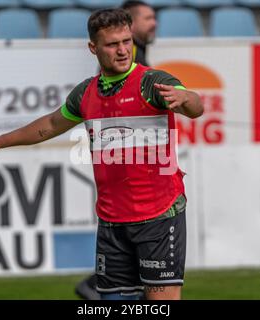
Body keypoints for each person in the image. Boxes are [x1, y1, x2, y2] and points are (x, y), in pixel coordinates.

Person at [0, 8, 203, 300]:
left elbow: (196, 106)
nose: (123, 51)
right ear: (93, 48)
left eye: (126, 41)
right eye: (112, 44)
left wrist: (185, 98)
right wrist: (0, 141)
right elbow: (49, 125)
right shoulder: (85, 94)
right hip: (112, 222)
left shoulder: (152, 83)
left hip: (160, 216)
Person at [74, 0, 157, 300]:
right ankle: (95, 283)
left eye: (126, 42)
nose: (154, 23)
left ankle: (99, 283)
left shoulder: (139, 58)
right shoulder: (122, 66)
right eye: (148, 18)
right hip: (126, 168)